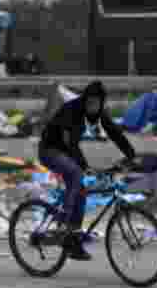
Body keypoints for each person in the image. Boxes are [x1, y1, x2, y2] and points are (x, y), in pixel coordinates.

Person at [38, 81, 137, 261]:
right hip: (50, 150)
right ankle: (63, 226)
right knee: (76, 173)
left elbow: (115, 133)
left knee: (81, 193)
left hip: (68, 151)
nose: (93, 107)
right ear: (84, 101)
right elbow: (68, 144)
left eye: (97, 104)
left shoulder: (99, 114)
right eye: (90, 103)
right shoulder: (72, 110)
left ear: (101, 103)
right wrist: (84, 166)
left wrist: (131, 154)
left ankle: (73, 243)